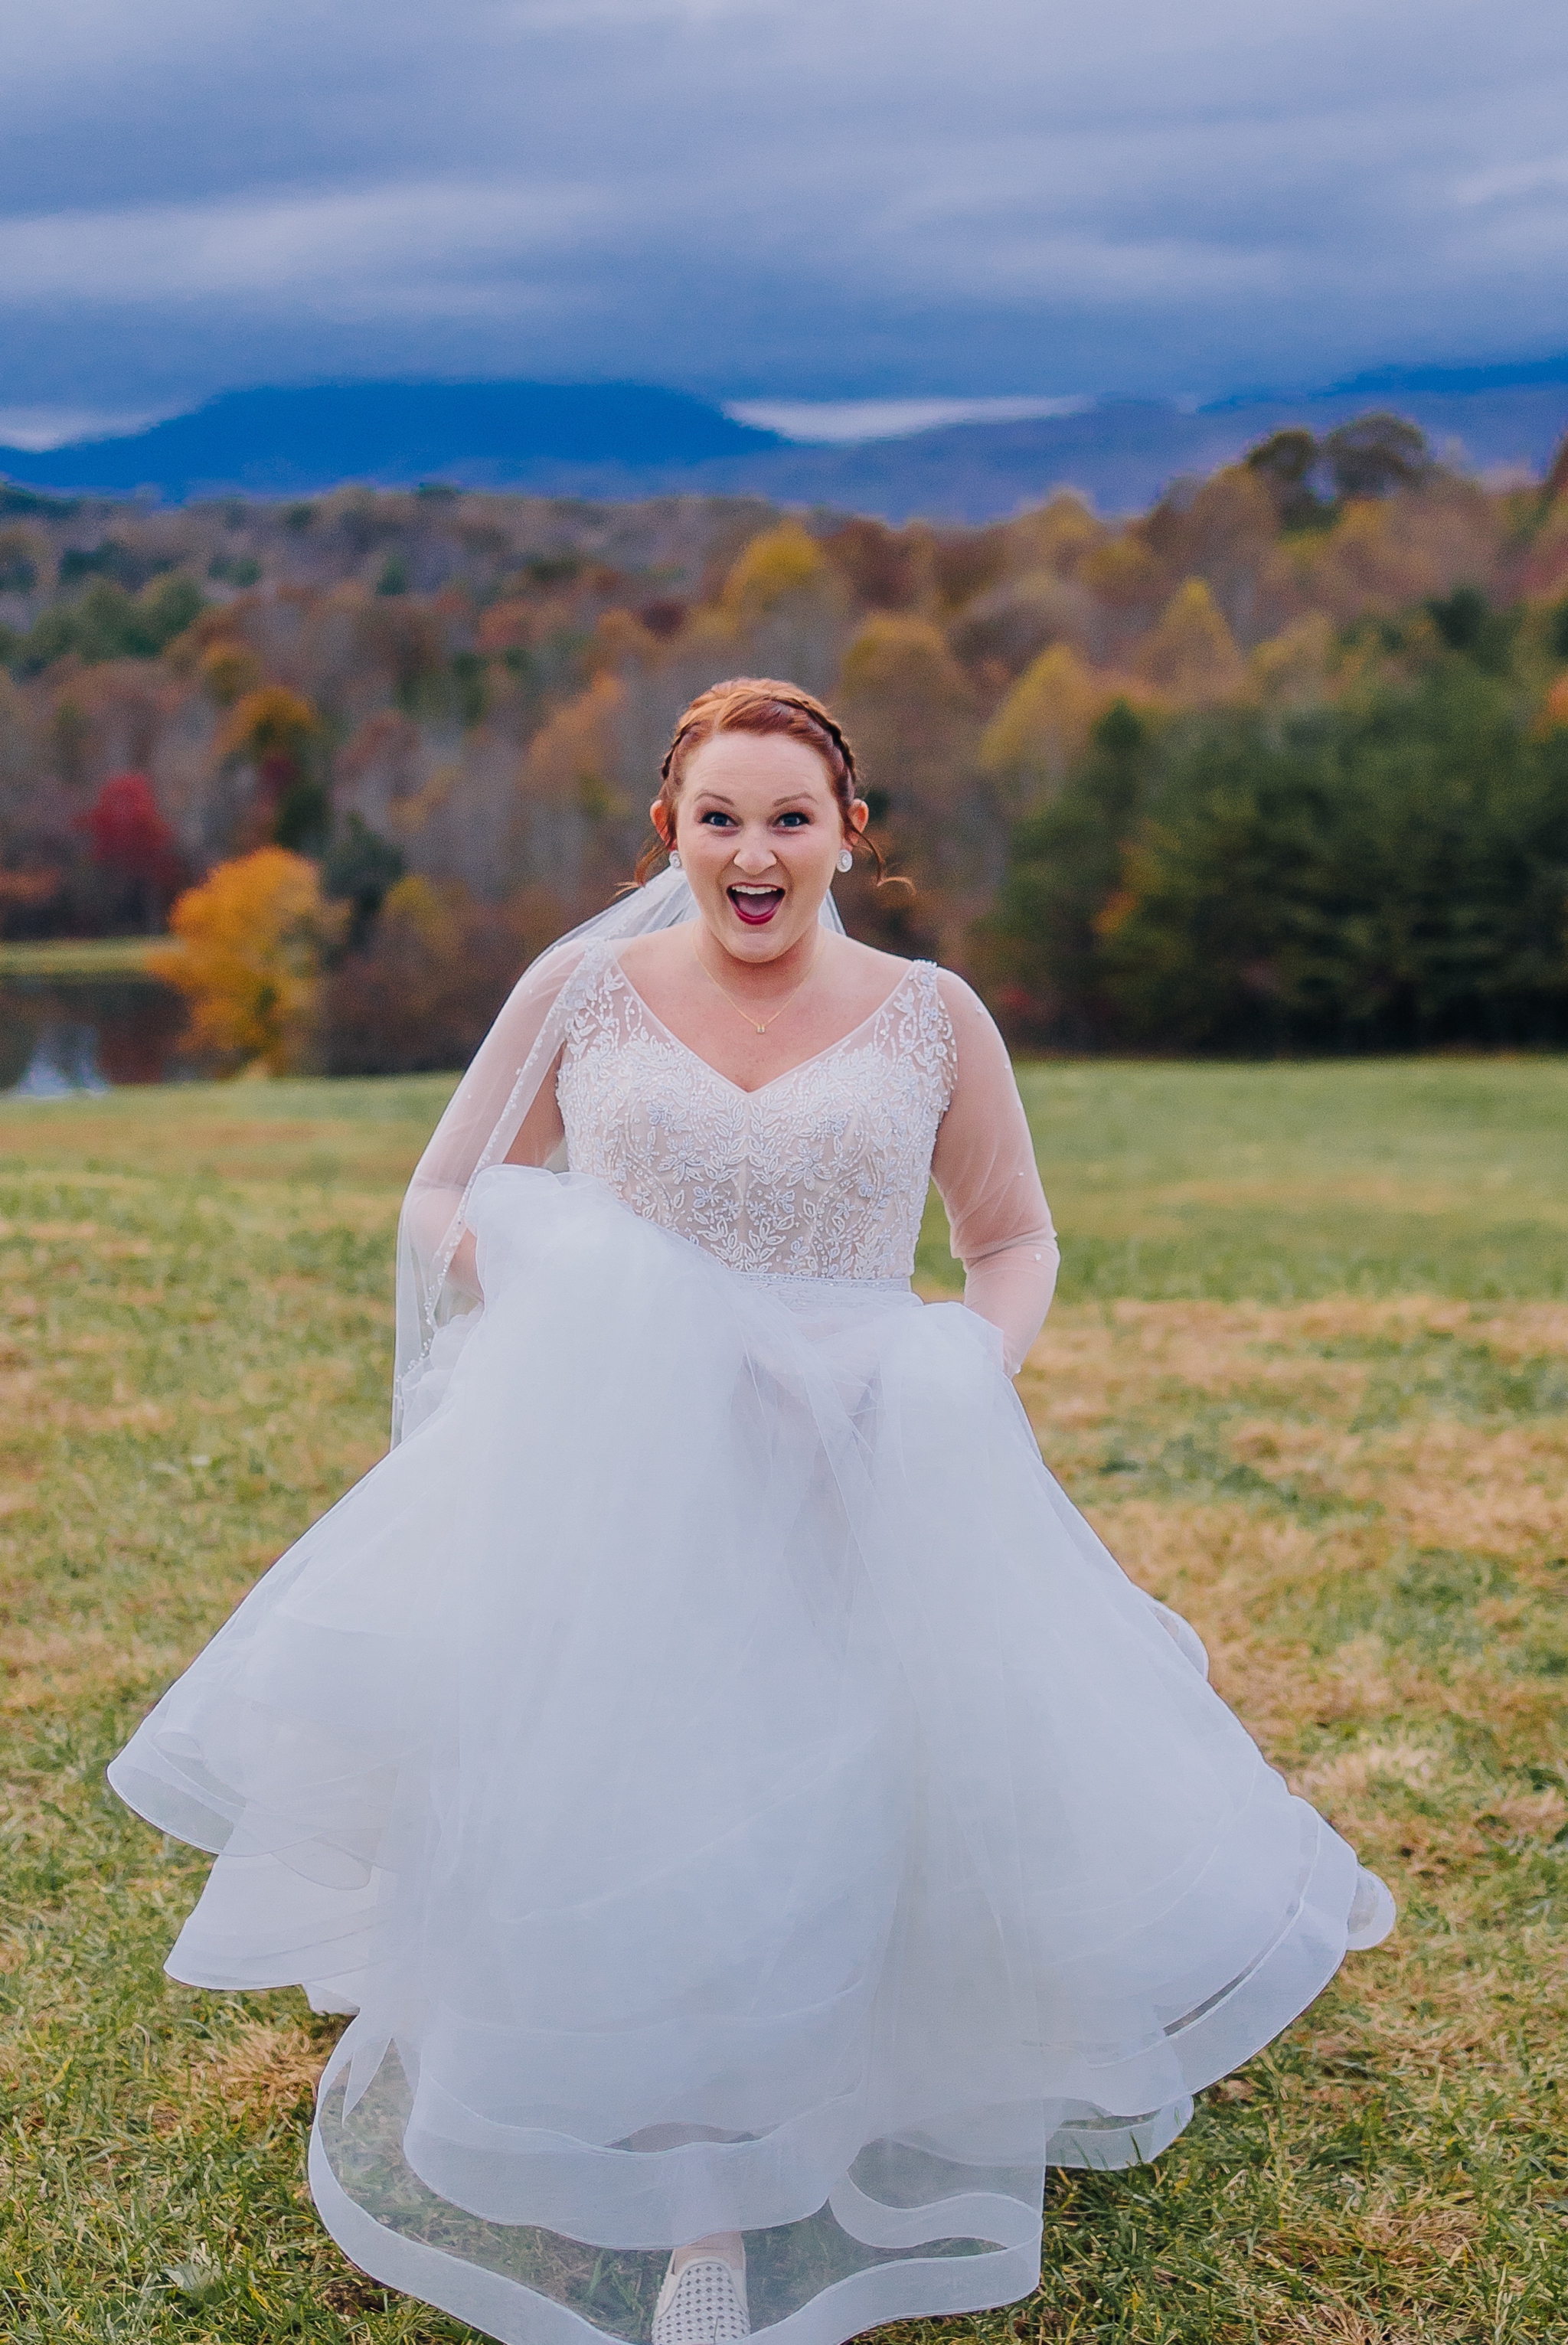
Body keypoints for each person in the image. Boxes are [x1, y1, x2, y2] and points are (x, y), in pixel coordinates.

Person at [109, 678, 1393, 2345]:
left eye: (790, 814)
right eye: (719, 816)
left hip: (858, 1464)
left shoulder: (932, 1016)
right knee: (660, 1804)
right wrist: (600, 1296)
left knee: (854, 1792)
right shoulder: (583, 992)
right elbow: (443, 1191)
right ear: (670, 833)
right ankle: (701, 2193)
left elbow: (1013, 1242)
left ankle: (869, 2088)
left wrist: (953, 1373)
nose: (754, 849)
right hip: (629, 1475)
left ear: (850, 833)